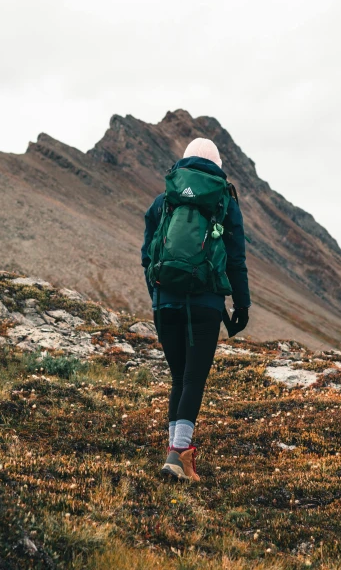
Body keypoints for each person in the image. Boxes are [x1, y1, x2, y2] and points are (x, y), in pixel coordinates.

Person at [141, 137, 251, 482]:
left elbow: (147, 256)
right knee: (194, 378)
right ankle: (178, 455)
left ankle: (175, 455)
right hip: (205, 302)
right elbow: (235, 258)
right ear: (217, 165)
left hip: (166, 300)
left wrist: (157, 297)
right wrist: (241, 304)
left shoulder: (164, 200)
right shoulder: (223, 201)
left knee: (178, 377)